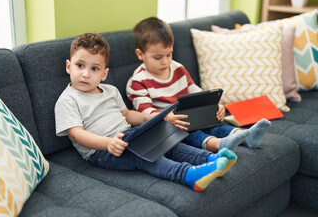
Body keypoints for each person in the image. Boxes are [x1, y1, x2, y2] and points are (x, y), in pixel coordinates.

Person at [54, 33, 238, 192]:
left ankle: (210, 160)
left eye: (94, 68)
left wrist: (156, 118)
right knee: (145, 156)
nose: (86, 74)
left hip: (130, 135)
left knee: (168, 141)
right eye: (80, 65)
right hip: (102, 151)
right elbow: (77, 134)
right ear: (69, 66)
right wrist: (107, 143)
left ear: (104, 74)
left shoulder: (110, 90)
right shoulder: (68, 100)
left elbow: (127, 114)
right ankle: (187, 175)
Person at [126, 17, 271, 153]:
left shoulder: (178, 69)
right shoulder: (137, 82)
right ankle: (219, 144)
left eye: (169, 54)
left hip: (188, 117)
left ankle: (245, 136)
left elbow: (197, 93)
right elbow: (146, 113)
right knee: (189, 134)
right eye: (158, 57)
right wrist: (167, 117)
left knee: (214, 123)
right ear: (140, 54)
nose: (165, 62)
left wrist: (215, 105)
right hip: (166, 126)